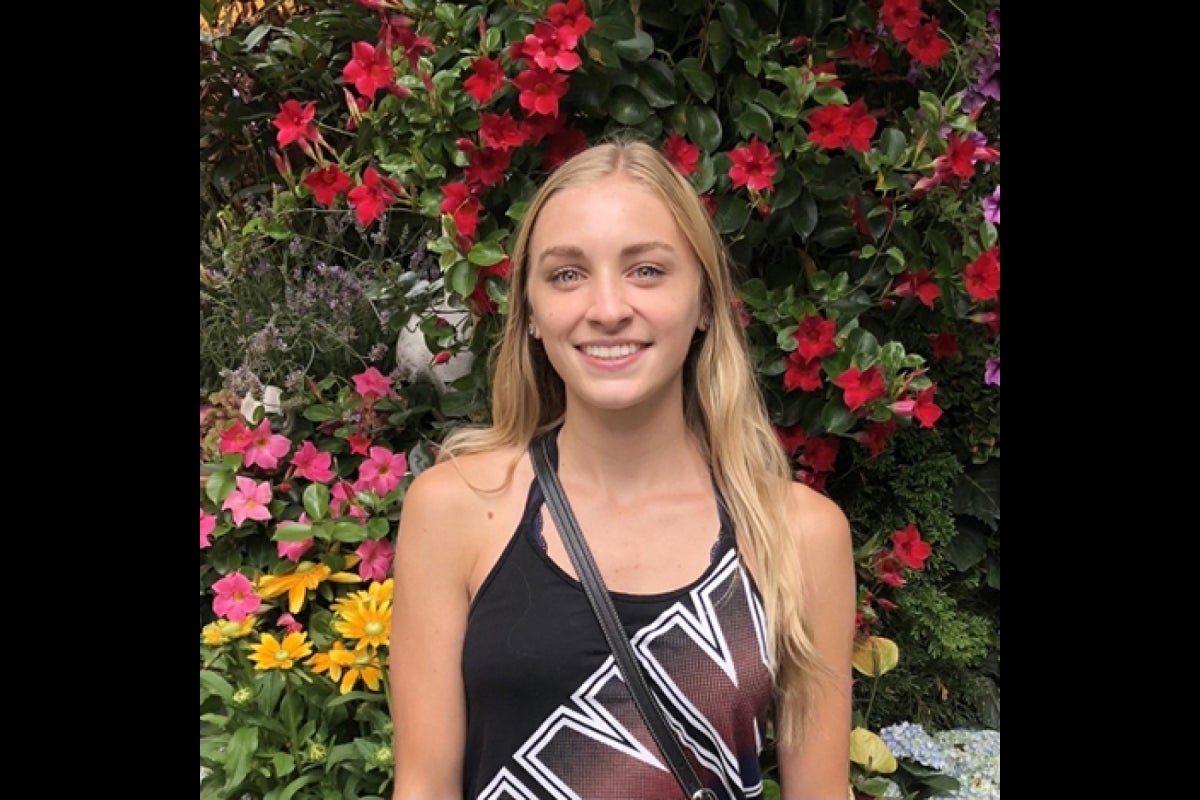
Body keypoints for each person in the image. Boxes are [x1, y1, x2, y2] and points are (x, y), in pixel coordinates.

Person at [389, 134, 856, 800]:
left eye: (647, 270)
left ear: (703, 303)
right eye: (567, 274)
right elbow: (424, 787)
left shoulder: (799, 535)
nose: (607, 310)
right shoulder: (457, 510)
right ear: (530, 313)